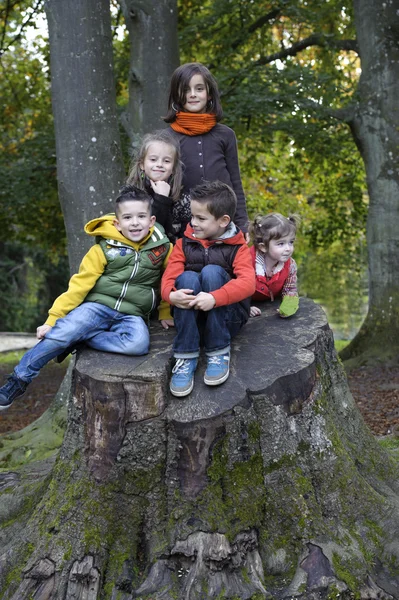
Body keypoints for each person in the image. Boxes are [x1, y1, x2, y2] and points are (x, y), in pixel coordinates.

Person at [0, 186, 173, 411]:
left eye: (141, 217)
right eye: (128, 218)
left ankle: (80, 338)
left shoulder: (162, 248)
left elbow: (168, 281)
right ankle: (17, 381)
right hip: (97, 307)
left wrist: (166, 312)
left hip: (132, 313)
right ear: (117, 224)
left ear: (151, 221)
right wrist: (53, 319)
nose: (135, 223)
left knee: (138, 344)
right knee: (59, 334)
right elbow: (79, 286)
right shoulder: (104, 249)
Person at [161, 180, 255, 398]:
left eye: (201, 218)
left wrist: (215, 297)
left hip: (226, 318)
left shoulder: (238, 248)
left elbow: (248, 283)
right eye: (192, 217)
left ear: (223, 221)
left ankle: (218, 350)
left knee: (212, 272)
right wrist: (171, 295)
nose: (193, 223)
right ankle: (186, 355)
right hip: (190, 319)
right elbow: (168, 279)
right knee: (186, 277)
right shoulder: (184, 244)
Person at [163, 62, 249, 237]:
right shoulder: (166, 138)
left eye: (199, 89)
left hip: (223, 225)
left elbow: (235, 182)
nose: (192, 94)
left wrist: (243, 224)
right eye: (186, 89)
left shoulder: (226, 135)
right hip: (184, 229)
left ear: (209, 94)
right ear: (176, 94)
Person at [126, 129, 189, 242]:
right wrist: (161, 198)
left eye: (166, 161)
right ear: (142, 164)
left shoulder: (182, 199)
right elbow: (150, 234)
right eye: (153, 159)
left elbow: (186, 237)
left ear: (173, 169)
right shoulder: (130, 195)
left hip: (174, 255)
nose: (159, 165)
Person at [249, 212, 299, 318]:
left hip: (271, 302)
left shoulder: (290, 265)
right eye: (281, 244)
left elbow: (290, 289)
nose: (288, 248)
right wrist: (244, 307)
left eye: (291, 242)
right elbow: (237, 286)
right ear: (263, 247)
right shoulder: (248, 261)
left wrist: (287, 308)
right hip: (248, 301)